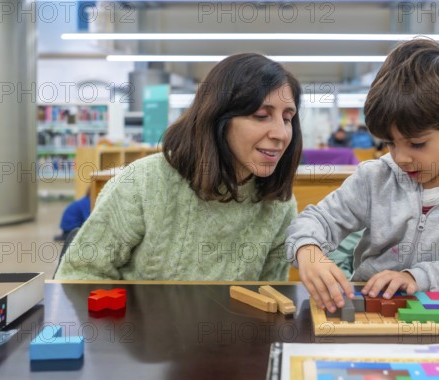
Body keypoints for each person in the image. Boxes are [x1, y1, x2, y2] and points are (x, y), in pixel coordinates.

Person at [286, 38, 439, 312]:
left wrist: (416, 278)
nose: (401, 158)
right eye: (390, 143)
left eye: (417, 144)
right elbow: (316, 220)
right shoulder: (374, 177)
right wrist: (309, 251)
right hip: (371, 308)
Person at [56, 53, 303, 281]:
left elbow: (270, 296)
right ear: (218, 118)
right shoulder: (143, 183)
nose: (281, 133)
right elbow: (78, 276)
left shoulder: (279, 205)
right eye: (261, 116)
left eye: (287, 118)